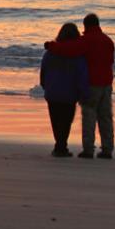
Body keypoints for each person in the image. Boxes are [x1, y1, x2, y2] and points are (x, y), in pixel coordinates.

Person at [44, 13, 115, 159]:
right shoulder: (108, 41)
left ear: (86, 25)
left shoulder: (86, 40)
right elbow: (111, 61)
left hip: (92, 84)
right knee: (105, 117)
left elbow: (67, 49)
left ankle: (88, 149)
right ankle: (107, 149)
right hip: (107, 84)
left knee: (89, 115)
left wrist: (50, 45)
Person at [40, 23, 89, 157]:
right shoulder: (77, 55)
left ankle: (59, 145)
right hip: (69, 94)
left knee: (55, 120)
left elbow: (43, 71)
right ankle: (61, 146)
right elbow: (82, 74)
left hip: (53, 92)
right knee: (66, 121)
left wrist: (44, 85)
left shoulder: (50, 52)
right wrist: (83, 92)